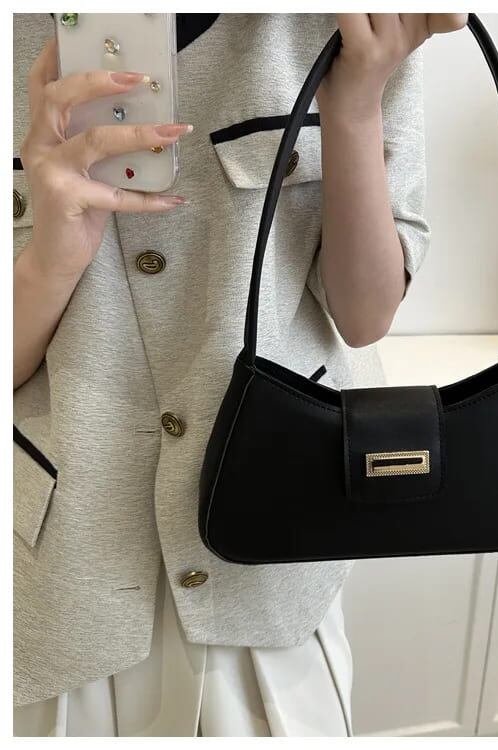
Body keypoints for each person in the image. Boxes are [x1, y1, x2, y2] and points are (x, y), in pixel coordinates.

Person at [12, 12, 468, 737]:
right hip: (64, 568)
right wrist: (52, 257)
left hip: (275, 551)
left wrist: (353, 102)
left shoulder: (357, 25)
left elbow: (364, 315)